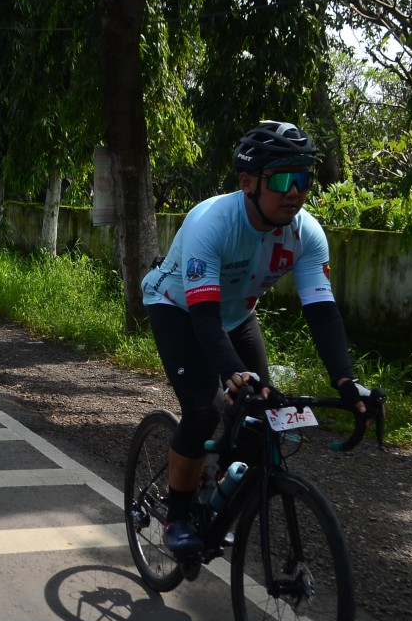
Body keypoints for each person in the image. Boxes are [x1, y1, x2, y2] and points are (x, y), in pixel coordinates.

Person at [141, 120, 373, 555]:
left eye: (304, 179)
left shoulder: (306, 234)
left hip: (236, 315)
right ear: (247, 182)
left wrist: (345, 380)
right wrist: (233, 373)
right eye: (283, 179)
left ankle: (215, 495)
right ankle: (177, 516)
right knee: (204, 409)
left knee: (260, 415)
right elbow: (204, 319)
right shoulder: (211, 222)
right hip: (179, 308)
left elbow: (322, 312)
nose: (295, 192)